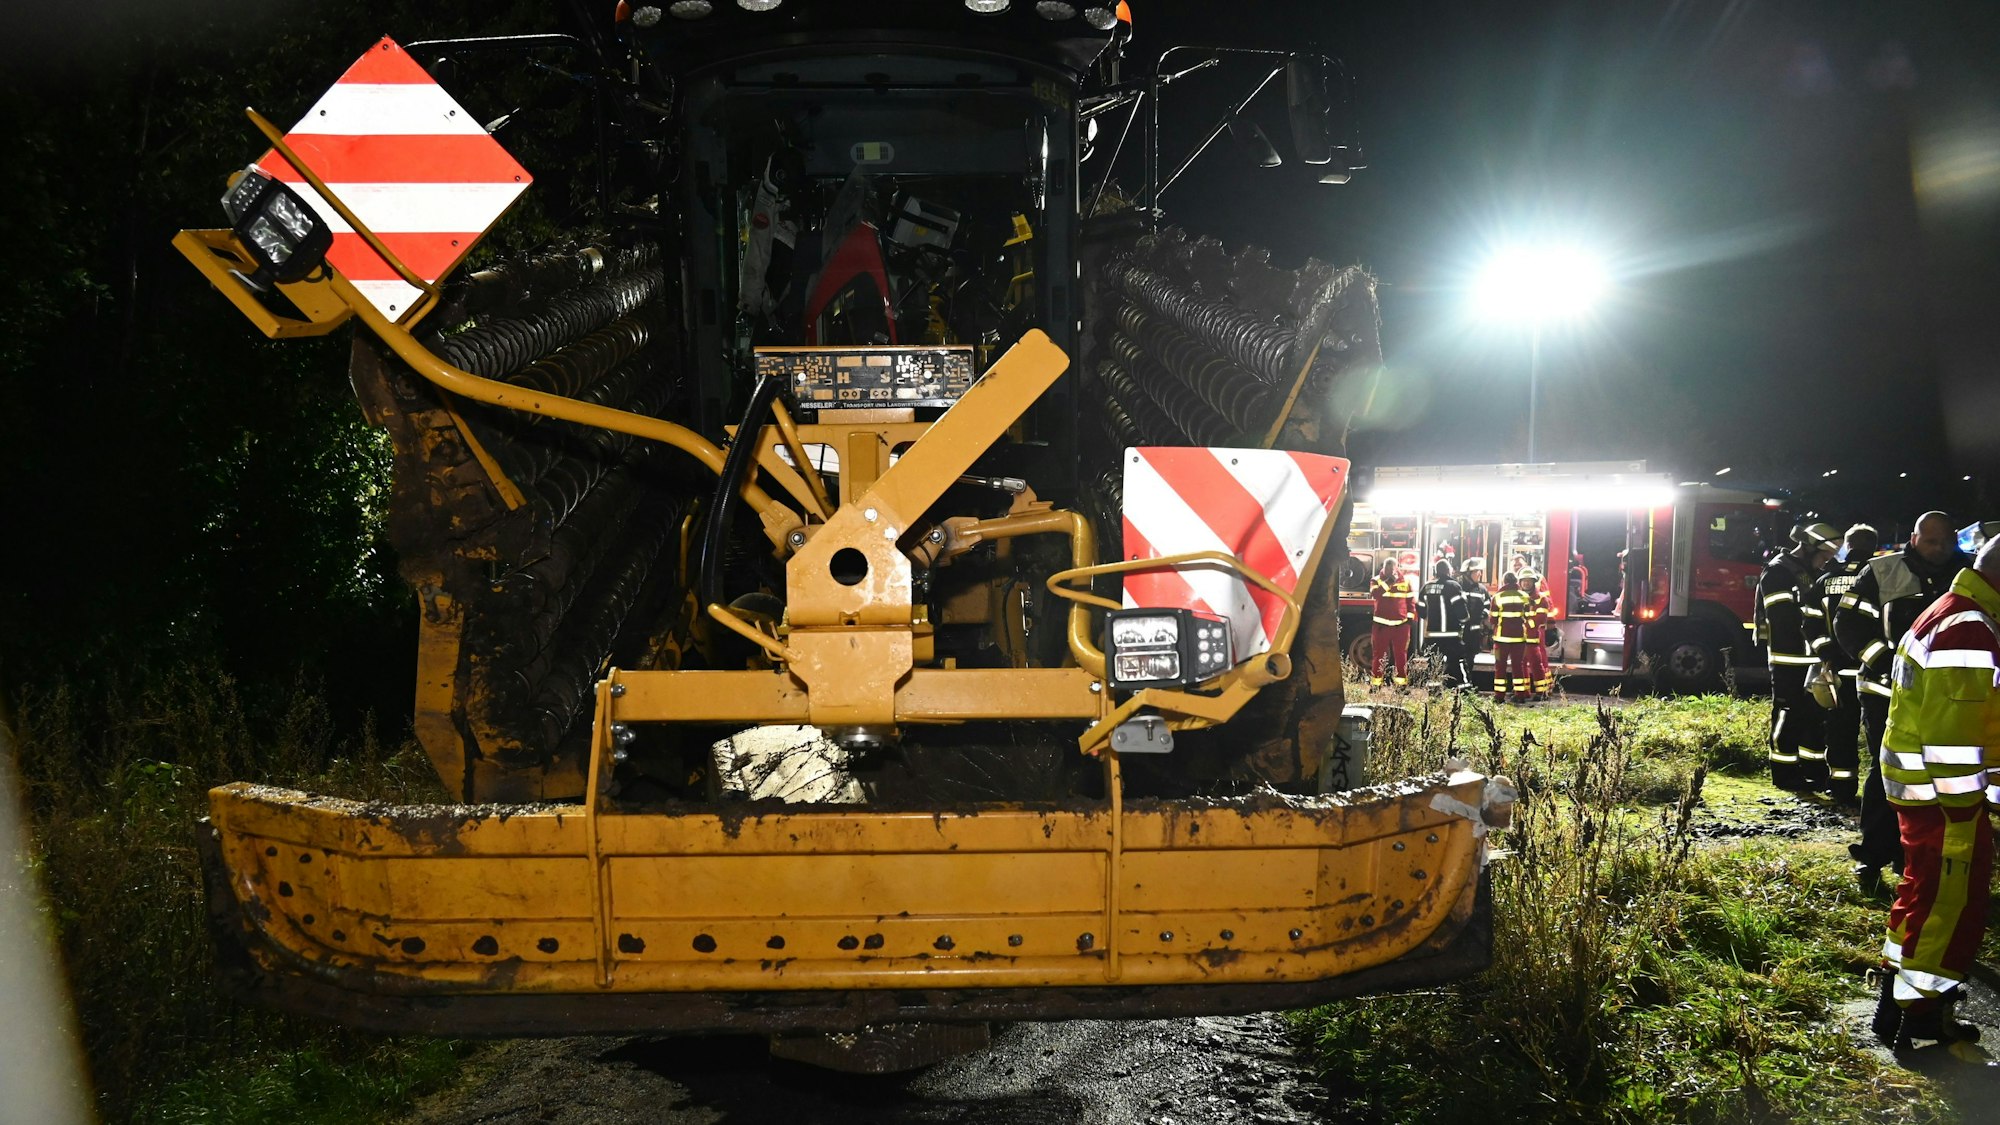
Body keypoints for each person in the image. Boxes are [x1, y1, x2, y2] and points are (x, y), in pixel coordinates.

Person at [1869, 537, 2000, 1051]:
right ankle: (1920, 1012)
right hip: (1946, 800)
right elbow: (1953, 738)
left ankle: (1897, 1002)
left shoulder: (1957, 612)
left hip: (1931, 794)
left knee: (1921, 894)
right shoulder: (1969, 625)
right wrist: (1970, 807)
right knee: (1948, 903)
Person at [1835, 512, 1974, 881]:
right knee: (1888, 773)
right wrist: (1887, 663)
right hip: (1887, 694)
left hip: (1950, 699)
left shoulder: (1970, 574)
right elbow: (1847, 624)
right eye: (1931, 541)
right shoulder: (1881, 572)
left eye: (1946, 541)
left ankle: (1921, 858)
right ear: (1914, 539)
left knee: (1942, 776)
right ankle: (1874, 854)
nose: (1940, 549)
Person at [1756, 522, 1841, 791]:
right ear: (1807, 547)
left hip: (1813, 658)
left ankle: (1813, 771)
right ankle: (1785, 773)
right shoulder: (1778, 572)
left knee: (1814, 718)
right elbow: (1782, 618)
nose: (1827, 560)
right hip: (1789, 658)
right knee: (1788, 714)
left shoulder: (1810, 572)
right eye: (1825, 553)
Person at [1802, 524, 1880, 805]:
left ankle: (1841, 787)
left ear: (1847, 545)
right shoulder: (1880, 577)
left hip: (1837, 670)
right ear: (1873, 547)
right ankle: (1883, 791)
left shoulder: (1825, 579)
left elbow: (1810, 622)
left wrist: (1826, 655)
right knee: (1880, 733)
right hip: (1874, 670)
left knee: (1840, 730)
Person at [1418, 559, 1470, 686]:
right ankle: (1464, 690)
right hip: (1451, 635)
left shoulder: (1426, 587)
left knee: (1434, 664)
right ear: (1448, 571)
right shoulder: (1453, 586)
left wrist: (1427, 617)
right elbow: (1461, 611)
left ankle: (1434, 695)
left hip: (1432, 636)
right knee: (1457, 662)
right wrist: (1464, 621)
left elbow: (1420, 608)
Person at [1369, 558, 1416, 686]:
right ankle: (1376, 684)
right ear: (1383, 568)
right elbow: (1375, 594)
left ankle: (1401, 685)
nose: (1389, 571)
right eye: (1387, 569)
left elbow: (1411, 601)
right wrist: (1388, 582)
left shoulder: (1405, 581)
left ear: (1397, 568)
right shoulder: (1376, 580)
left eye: (1392, 569)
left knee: (1401, 656)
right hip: (1381, 626)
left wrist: (1409, 618)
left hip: (1401, 626)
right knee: (1378, 655)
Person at [1489, 571, 1532, 703]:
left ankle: (1499, 696)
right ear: (1516, 582)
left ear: (1504, 582)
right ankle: (1520, 695)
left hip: (1501, 640)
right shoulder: (1525, 596)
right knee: (1518, 666)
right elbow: (1528, 616)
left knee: (1500, 667)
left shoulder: (1497, 597)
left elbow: (1493, 619)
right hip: (1520, 639)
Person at [1522, 573, 1555, 700]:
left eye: (1528, 581)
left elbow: (1539, 619)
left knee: (1537, 664)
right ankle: (1523, 692)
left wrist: (1523, 622)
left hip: (1533, 637)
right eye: (1523, 581)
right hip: (1519, 638)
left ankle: (1542, 692)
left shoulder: (1541, 599)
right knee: (1520, 665)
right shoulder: (1519, 597)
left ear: (1534, 582)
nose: (1526, 583)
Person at [1460, 559, 1492, 669]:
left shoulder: (1482, 589)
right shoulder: (1458, 587)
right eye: (1477, 571)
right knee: (1458, 658)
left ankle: (1469, 681)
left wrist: (1482, 615)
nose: (1480, 574)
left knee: (1470, 658)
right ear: (1468, 573)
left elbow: (1488, 605)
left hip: (1474, 632)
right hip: (1459, 632)